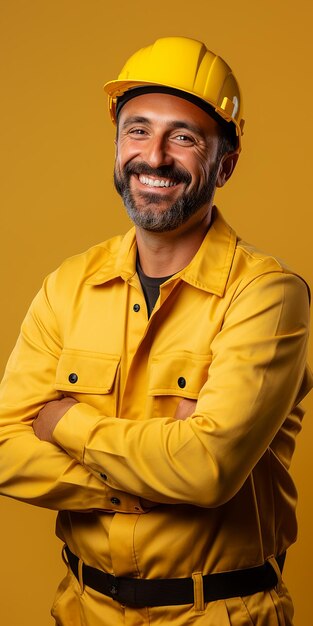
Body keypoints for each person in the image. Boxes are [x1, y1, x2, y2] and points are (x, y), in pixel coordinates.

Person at [0, 36, 311, 626]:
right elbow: (4, 447)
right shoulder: (67, 285)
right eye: (137, 130)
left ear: (226, 163)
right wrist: (135, 486)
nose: (155, 156)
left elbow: (206, 470)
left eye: (184, 137)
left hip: (222, 613)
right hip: (82, 610)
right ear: (117, 145)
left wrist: (66, 422)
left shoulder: (267, 296)